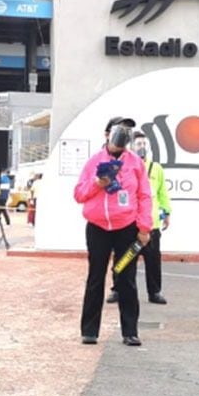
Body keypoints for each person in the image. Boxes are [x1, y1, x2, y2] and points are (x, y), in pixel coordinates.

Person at [75, 116, 152, 346]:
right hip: (98, 228)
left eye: (128, 131)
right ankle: (89, 331)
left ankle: (130, 331)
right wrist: (97, 184)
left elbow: (144, 196)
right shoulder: (93, 162)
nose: (124, 134)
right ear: (107, 134)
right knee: (96, 277)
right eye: (120, 130)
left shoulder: (136, 164)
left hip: (126, 229)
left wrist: (144, 227)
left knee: (125, 278)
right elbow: (79, 194)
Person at [108, 131, 171, 305]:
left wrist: (166, 212)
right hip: (128, 223)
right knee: (124, 259)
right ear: (131, 147)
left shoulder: (155, 168)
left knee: (153, 260)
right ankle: (117, 289)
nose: (142, 148)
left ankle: (154, 292)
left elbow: (162, 193)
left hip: (151, 223)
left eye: (144, 144)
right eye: (138, 144)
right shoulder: (123, 166)